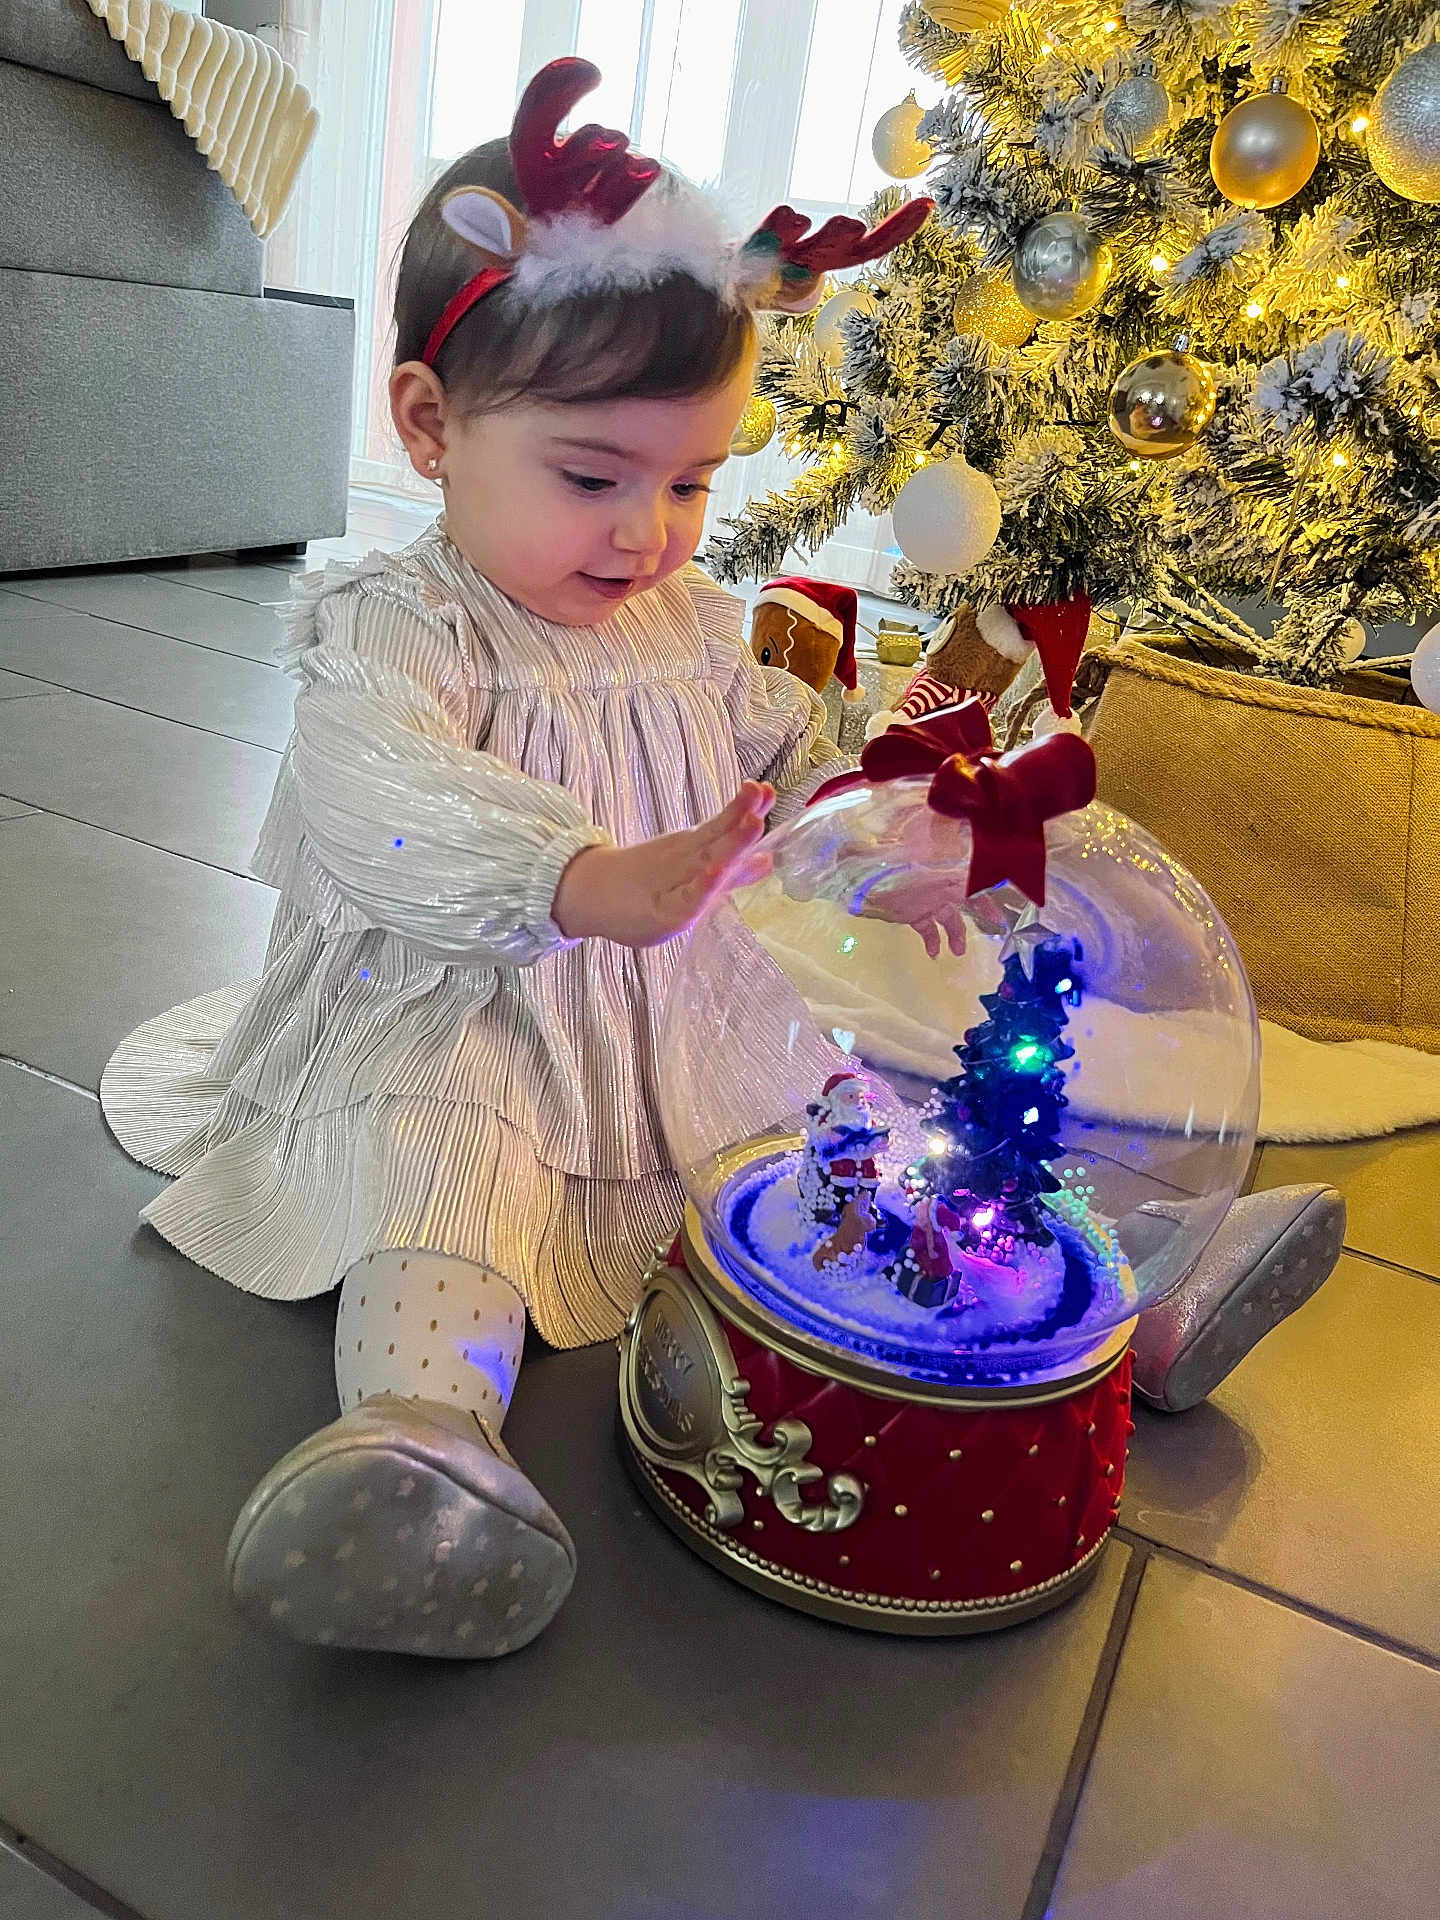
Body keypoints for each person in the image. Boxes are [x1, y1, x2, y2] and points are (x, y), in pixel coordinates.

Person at [99, 58, 934, 1661]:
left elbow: (781, 750)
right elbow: (374, 789)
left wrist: (869, 820)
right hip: (458, 1000)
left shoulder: (689, 619)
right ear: (430, 425)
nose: (648, 531)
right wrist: (574, 879)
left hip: (671, 1016)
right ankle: (425, 1448)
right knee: (443, 1159)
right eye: (593, 476)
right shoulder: (399, 621)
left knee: (847, 1112)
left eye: (692, 481)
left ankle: (1088, 1320)